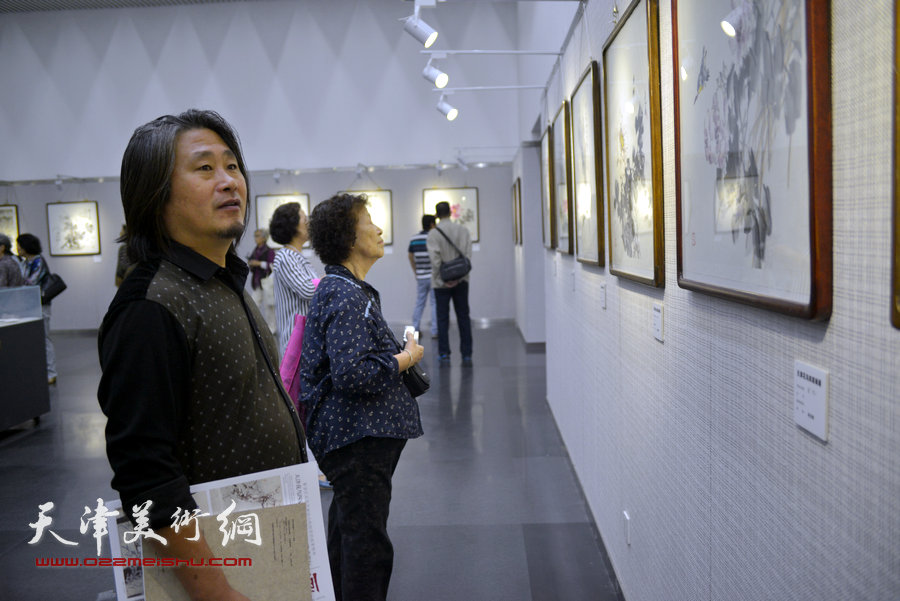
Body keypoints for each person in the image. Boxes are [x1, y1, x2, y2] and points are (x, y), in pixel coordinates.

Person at [97, 109, 308, 601]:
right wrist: (216, 592)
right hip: (219, 572)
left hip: (263, 547)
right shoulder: (151, 306)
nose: (229, 181)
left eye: (232, 166)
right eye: (204, 168)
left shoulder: (221, 281)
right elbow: (145, 471)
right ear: (155, 193)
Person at [300, 193, 424, 601]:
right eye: (370, 221)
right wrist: (405, 358)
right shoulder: (345, 294)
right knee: (366, 545)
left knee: (350, 530)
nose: (379, 228)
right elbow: (352, 373)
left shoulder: (345, 289)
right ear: (350, 237)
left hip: (357, 438)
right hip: (356, 439)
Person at [426, 200, 473, 364]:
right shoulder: (463, 230)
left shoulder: (433, 234)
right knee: (463, 317)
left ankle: (444, 353)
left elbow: (435, 261)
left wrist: (444, 279)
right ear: (451, 213)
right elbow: (467, 257)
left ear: (437, 215)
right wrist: (458, 278)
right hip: (462, 281)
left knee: (442, 318)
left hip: (441, 284)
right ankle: (467, 353)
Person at [269, 203, 317, 357]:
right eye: (304, 218)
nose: (308, 223)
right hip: (296, 342)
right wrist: (328, 279)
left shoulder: (295, 256)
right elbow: (308, 290)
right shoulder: (285, 256)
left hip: (306, 338)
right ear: (293, 226)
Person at [16, 233, 56, 384]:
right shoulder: (26, 262)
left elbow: (31, 283)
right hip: (30, 305)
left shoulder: (38, 261)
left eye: (20, 245)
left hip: (41, 305)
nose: (18, 248)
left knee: (45, 339)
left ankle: (51, 372)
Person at [408, 214, 438, 339]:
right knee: (434, 303)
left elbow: (410, 256)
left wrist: (416, 271)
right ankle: (435, 331)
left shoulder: (414, 239)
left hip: (420, 276)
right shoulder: (434, 238)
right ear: (431, 224)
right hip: (433, 276)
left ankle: (415, 329)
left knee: (419, 303)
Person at [246, 227, 276, 332]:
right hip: (257, 281)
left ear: (264, 238)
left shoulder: (269, 251)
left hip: (266, 281)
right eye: (255, 236)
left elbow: (272, 265)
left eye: (257, 236)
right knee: (254, 304)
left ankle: (271, 329)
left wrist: (258, 263)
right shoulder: (255, 250)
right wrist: (251, 263)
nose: (255, 238)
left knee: (269, 307)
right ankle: (256, 328)